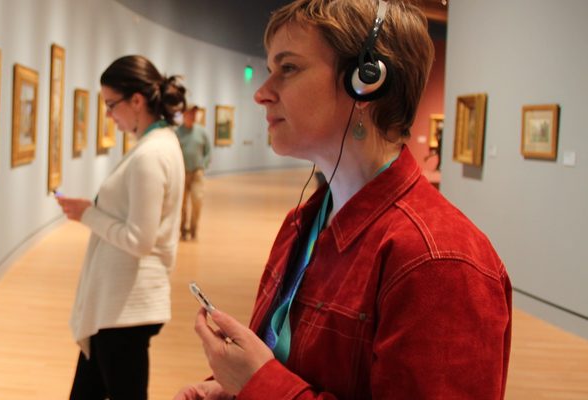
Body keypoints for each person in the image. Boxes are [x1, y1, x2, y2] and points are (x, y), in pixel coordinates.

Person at [175, 1, 512, 399]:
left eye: (289, 68)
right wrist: (228, 389)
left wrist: (257, 385)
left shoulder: (438, 261)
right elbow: (289, 367)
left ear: (366, 80)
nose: (262, 94)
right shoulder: (303, 222)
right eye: (269, 71)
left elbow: (271, 382)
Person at [56, 55, 186, 400]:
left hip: (126, 306)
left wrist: (88, 214)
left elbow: (139, 239)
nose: (108, 114)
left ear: (137, 101)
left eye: (111, 104)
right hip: (117, 305)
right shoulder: (158, 145)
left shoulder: (150, 155)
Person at [176, 105, 212, 240]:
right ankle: (182, 230)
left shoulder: (202, 132)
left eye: (194, 114)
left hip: (197, 173)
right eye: (189, 113)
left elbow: (208, 151)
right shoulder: (177, 132)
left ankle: (193, 229)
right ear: (184, 115)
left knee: (197, 200)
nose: (192, 116)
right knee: (182, 204)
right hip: (182, 173)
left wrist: (203, 165)